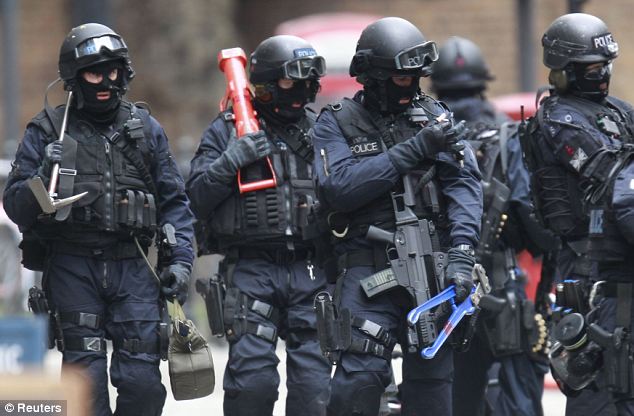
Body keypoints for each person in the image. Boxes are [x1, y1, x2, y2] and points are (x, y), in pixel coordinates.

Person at [3, 23, 195, 416]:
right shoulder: (46, 131)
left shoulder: (145, 131)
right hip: (74, 267)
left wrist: (180, 261)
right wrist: (42, 174)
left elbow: (176, 202)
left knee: (143, 383)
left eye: (113, 71)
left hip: (134, 267)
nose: (106, 81)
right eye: (94, 73)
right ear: (75, 78)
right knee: (85, 384)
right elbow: (15, 205)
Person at [312, 17, 483, 416]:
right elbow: (339, 188)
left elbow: (465, 187)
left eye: (416, 77)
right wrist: (417, 148)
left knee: (432, 385)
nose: (411, 87)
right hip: (368, 273)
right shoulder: (335, 122)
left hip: (433, 272)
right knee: (357, 383)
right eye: (401, 78)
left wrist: (461, 253)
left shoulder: (436, 117)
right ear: (372, 77)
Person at [186, 35, 331, 415]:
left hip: (311, 269)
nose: (299, 92)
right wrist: (229, 161)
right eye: (288, 82)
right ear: (266, 84)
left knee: (316, 392)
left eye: (306, 83)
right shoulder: (227, 130)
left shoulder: (322, 131)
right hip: (251, 269)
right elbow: (194, 199)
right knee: (252, 386)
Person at [431, 36, 558, 416]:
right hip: (502, 281)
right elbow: (525, 207)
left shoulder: (426, 131)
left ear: (434, 84)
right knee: (519, 387)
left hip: (439, 284)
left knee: (448, 391)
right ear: (482, 82)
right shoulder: (506, 133)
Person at [521, 12, 634, 416]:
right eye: (591, 69)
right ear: (564, 71)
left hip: (622, 258)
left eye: (605, 67)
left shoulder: (618, 111)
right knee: (603, 384)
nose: (602, 76)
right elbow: (610, 172)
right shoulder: (558, 119)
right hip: (590, 268)